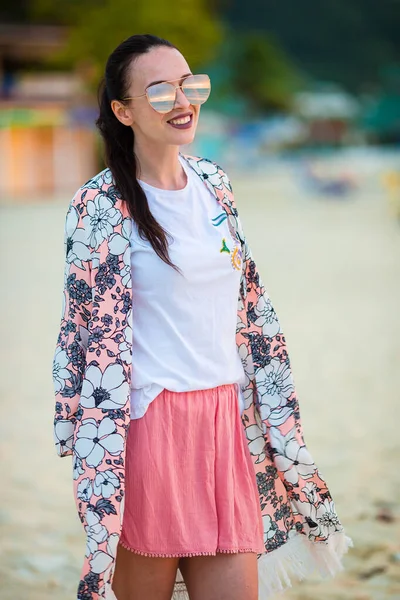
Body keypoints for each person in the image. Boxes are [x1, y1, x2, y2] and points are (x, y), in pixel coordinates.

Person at [52, 33, 352, 600]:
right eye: (161, 91)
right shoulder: (97, 207)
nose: (183, 100)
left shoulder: (215, 184)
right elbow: (81, 334)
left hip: (227, 422)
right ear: (123, 111)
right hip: (149, 428)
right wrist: (77, 425)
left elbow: (248, 307)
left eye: (191, 84)